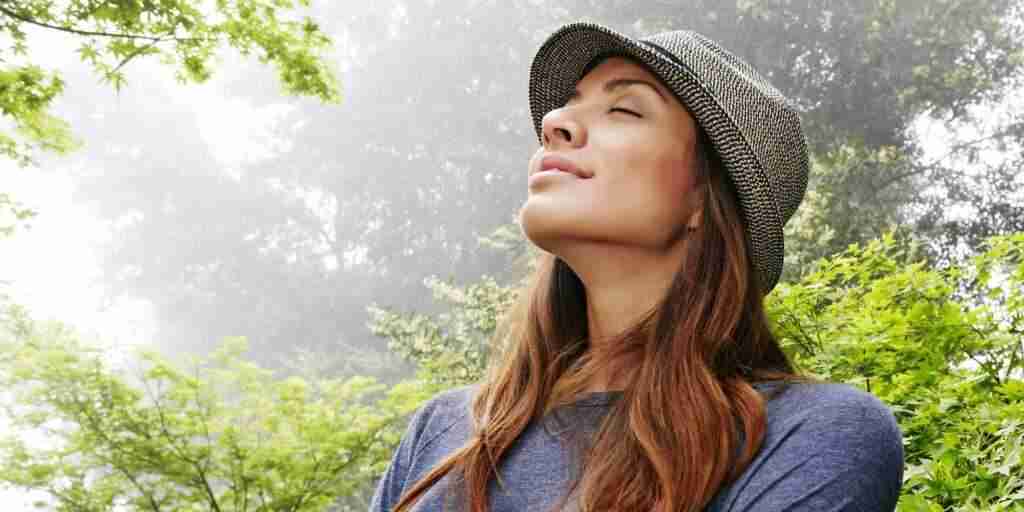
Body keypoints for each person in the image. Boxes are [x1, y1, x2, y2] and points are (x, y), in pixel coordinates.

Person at [369, 21, 904, 512]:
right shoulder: (444, 430)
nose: (554, 122)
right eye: (568, 104)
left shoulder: (812, 434)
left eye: (624, 110)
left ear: (703, 197)